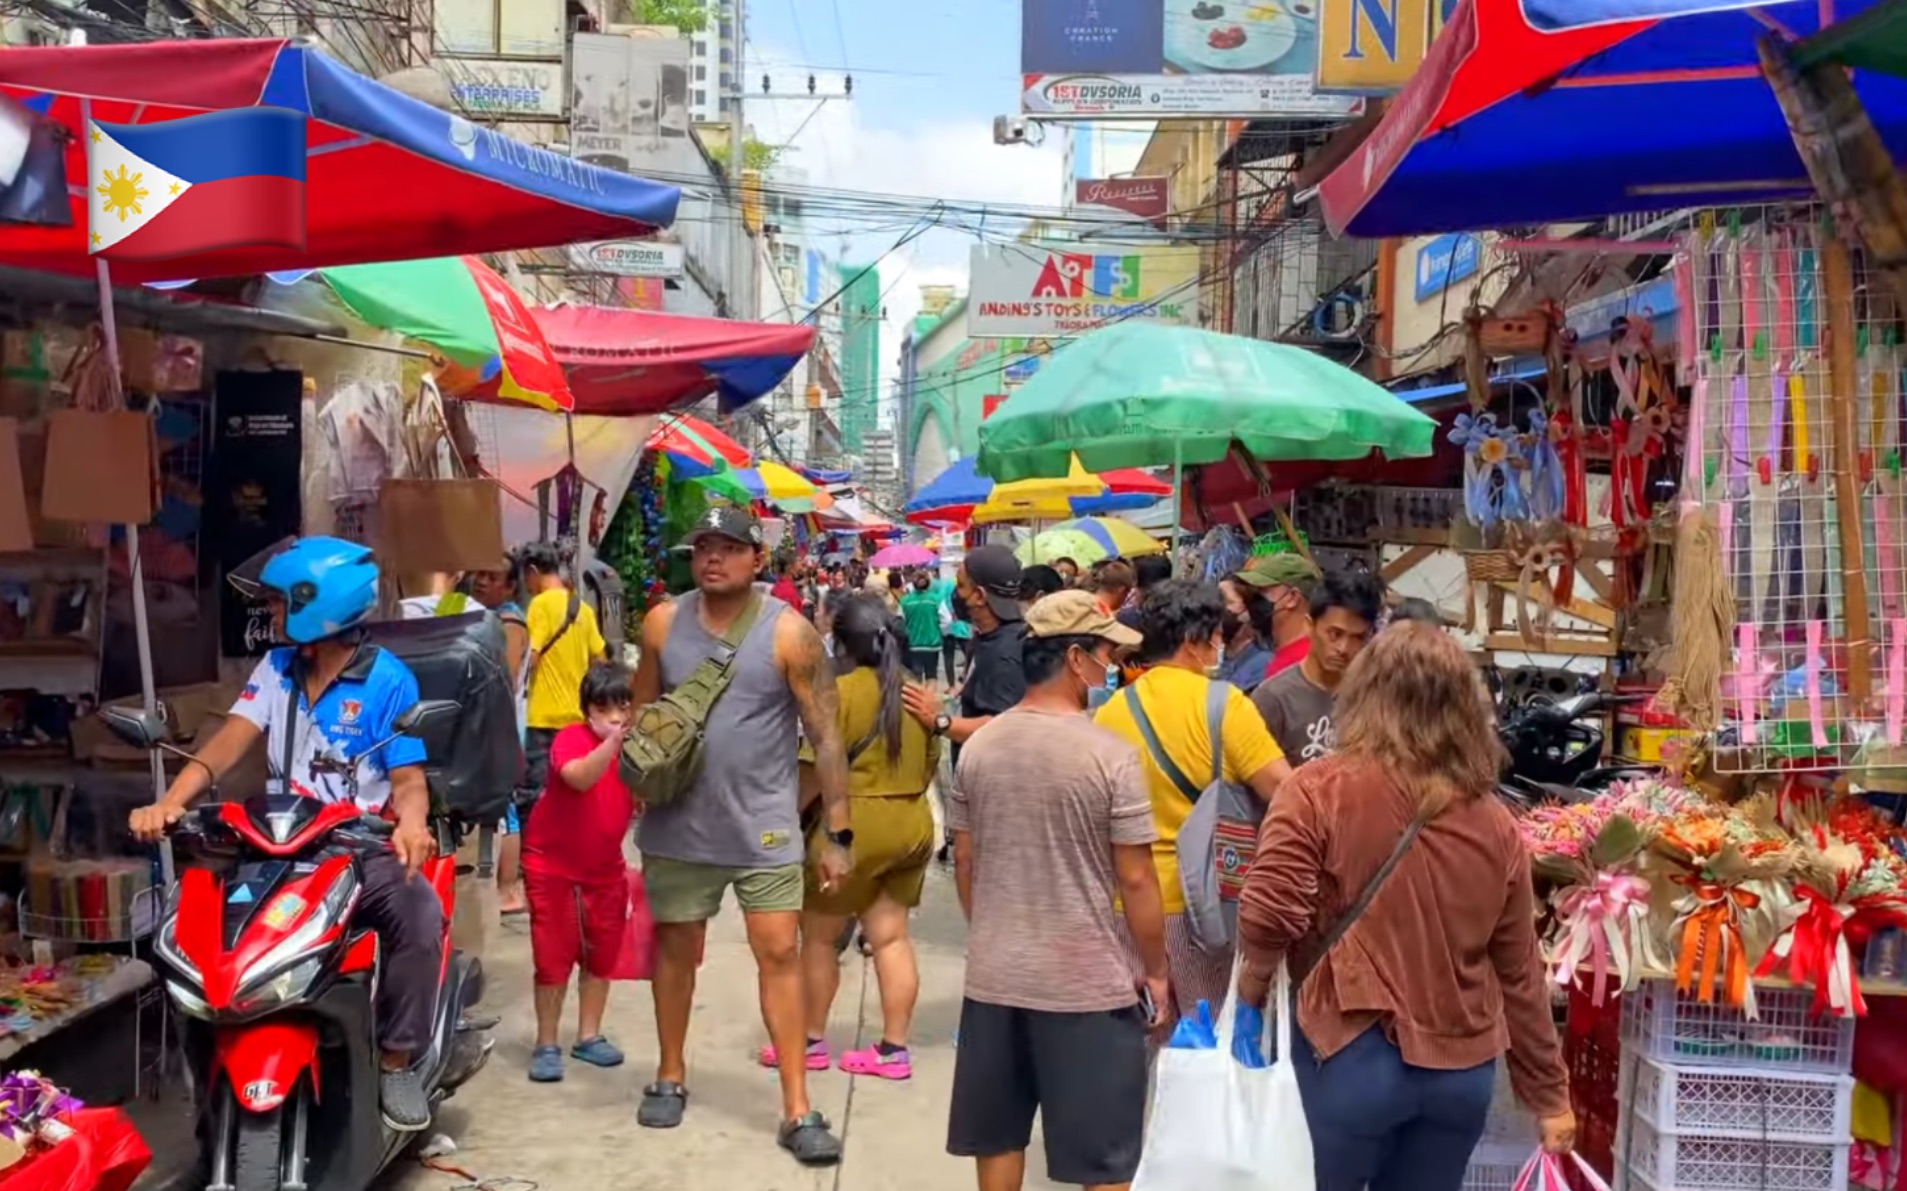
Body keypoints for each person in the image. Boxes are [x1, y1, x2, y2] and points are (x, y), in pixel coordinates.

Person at [1235, 623, 1574, 1191]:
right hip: (1460, 1073)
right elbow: (1520, 973)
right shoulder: (1495, 823)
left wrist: (1252, 991)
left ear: (1363, 693)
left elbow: (1269, 915)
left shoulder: (1319, 789)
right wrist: (1549, 1097)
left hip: (1347, 1056)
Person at [128, 537, 441, 1131]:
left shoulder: (387, 680)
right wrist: (168, 802)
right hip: (276, 843)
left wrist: (414, 824)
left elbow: (408, 779)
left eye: (277, 603)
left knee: (418, 912)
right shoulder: (276, 669)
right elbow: (227, 742)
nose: (269, 614)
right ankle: (210, 1063)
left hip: (357, 846)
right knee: (188, 924)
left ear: (317, 603)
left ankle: (398, 1059)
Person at [630, 505, 850, 1164]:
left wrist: (837, 832)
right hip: (678, 824)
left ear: (757, 559)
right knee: (674, 951)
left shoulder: (791, 634)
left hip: (765, 827)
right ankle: (670, 1073)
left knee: (778, 952)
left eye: (728, 547)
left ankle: (796, 1105)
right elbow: (642, 711)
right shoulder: (662, 623)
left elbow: (827, 735)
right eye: (702, 547)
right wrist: (639, 772)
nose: (712, 559)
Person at [946, 590, 1170, 1191]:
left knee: (997, 1138)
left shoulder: (980, 747)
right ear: (1075, 658)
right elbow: (1136, 877)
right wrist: (1155, 970)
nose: (1109, 668)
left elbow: (965, 861)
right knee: (1104, 1157)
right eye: (1103, 654)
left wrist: (992, 933)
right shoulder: (1110, 757)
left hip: (995, 979)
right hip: (1087, 988)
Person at [1092, 579, 1290, 1020]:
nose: (1219, 645)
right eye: (1216, 635)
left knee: (1151, 1039)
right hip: (1206, 908)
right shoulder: (1224, 705)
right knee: (1210, 1039)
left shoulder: (1111, 711)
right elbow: (1284, 792)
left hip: (1127, 908)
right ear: (1192, 640)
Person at [761, 595, 938, 1081]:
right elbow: (929, 766)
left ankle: (811, 1041)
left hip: (853, 826)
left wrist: (783, 822)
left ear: (840, 642)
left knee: (818, 940)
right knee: (891, 938)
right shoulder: (915, 692)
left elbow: (815, 772)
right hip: (911, 821)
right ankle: (892, 1051)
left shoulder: (836, 693)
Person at [523, 662, 637, 1083]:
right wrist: (612, 745)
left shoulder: (636, 747)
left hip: (605, 868)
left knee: (600, 954)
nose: (615, 715)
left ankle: (588, 1036)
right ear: (588, 709)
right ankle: (546, 1042)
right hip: (552, 866)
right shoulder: (572, 739)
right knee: (552, 957)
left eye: (624, 705)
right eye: (604, 706)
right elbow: (578, 778)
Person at [1252, 569, 1383, 766]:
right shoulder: (1273, 699)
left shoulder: (1371, 697)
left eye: (1357, 637)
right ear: (1309, 626)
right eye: (1334, 634)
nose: (1343, 648)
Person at [902, 545, 1025, 750]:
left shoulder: (1004, 653)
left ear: (979, 596)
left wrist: (937, 720)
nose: (955, 594)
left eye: (960, 585)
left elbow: (1001, 727)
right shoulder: (989, 638)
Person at [520, 542, 607, 821]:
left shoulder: (539, 605)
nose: (527, 586)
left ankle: (536, 857)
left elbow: (529, 659)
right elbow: (601, 660)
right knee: (572, 796)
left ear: (532, 571)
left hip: (543, 719)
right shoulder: (583, 610)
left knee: (537, 798)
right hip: (577, 721)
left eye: (526, 578)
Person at [468, 555, 531, 915]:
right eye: (479, 574)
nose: (481, 581)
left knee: (504, 808)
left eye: (492, 577)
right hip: (492, 727)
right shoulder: (486, 617)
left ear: (509, 587)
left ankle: (508, 889)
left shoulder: (509, 622)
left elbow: (503, 678)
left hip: (501, 727)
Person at [1233, 553, 1322, 679]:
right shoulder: (1286, 657)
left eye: (1262, 591)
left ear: (1292, 598)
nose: (1253, 601)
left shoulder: (1303, 665)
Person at [1216, 570, 1276, 690]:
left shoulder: (1262, 662)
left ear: (1249, 611)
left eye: (1227, 601)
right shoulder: (1211, 651)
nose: (1217, 606)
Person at [898, 570, 945, 682]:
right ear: (929, 583)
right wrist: (938, 631)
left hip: (913, 644)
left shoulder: (905, 601)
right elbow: (946, 621)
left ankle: (917, 697)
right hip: (932, 643)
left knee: (915, 676)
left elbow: (899, 623)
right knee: (931, 676)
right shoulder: (936, 599)